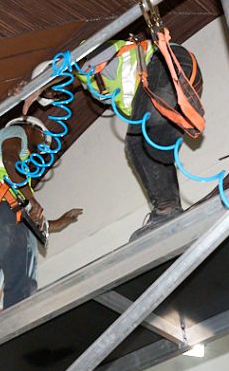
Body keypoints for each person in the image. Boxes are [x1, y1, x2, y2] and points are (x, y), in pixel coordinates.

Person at [0, 117, 82, 333]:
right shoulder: (15, 133)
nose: (41, 145)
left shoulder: (11, 178)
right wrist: (31, 200)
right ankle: (22, 331)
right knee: (21, 279)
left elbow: (25, 222)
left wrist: (58, 223)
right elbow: (11, 161)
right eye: (42, 137)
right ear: (31, 128)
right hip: (3, 210)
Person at [73, 37, 203, 239]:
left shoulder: (92, 54)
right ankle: (170, 209)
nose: (53, 96)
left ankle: (166, 209)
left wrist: (37, 85)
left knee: (139, 143)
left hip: (164, 65)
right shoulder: (94, 84)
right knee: (154, 148)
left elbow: (67, 69)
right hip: (177, 77)